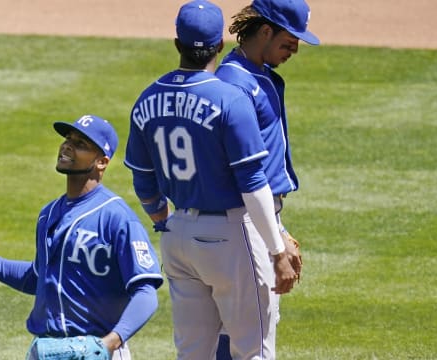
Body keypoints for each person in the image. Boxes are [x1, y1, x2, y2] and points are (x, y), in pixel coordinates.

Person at [124, 1, 297, 359]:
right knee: (254, 352)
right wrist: (277, 249)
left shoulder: (146, 100)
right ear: (220, 45)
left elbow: (143, 179)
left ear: (177, 44)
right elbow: (252, 183)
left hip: (178, 238)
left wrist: (163, 221)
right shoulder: (230, 99)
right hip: (230, 237)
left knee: (192, 353)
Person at [0, 114, 164, 360]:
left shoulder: (117, 217)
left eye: (80, 144)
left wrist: (109, 343)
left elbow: (146, 292)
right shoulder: (48, 214)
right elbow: (37, 278)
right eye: (68, 139)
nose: (67, 146)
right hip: (48, 350)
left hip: (98, 352)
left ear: (101, 162)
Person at [214, 0, 320, 358]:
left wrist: (278, 227)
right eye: (289, 42)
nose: (293, 50)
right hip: (246, 218)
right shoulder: (235, 83)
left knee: (242, 328)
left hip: (259, 215)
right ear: (264, 31)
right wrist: (274, 238)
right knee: (252, 337)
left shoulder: (255, 74)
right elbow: (242, 173)